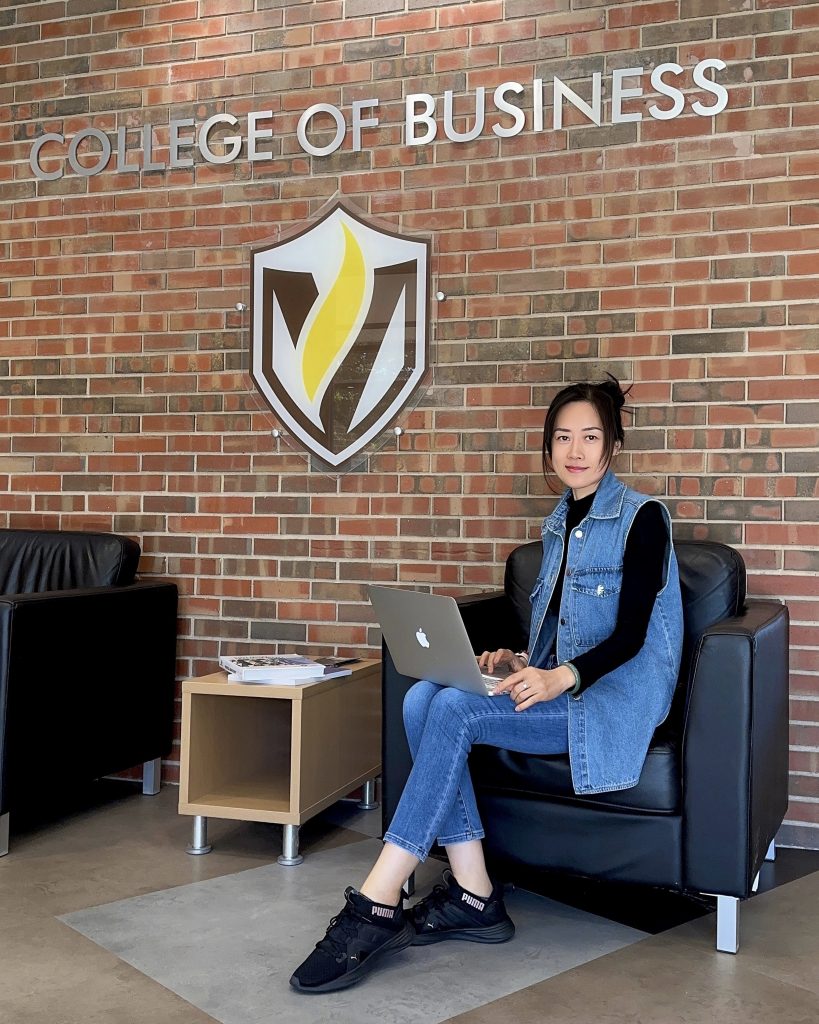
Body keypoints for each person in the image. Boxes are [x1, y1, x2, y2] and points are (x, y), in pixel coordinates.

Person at [290, 375, 683, 994]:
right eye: (562, 438)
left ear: (612, 448)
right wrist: (518, 660)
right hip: (558, 685)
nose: (574, 451)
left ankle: (377, 899)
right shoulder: (560, 525)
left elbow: (631, 633)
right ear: (548, 448)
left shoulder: (644, 519)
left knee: (453, 712)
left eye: (589, 437)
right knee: (426, 696)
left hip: (609, 704)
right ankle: (474, 895)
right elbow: (566, 634)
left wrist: (559, 677)